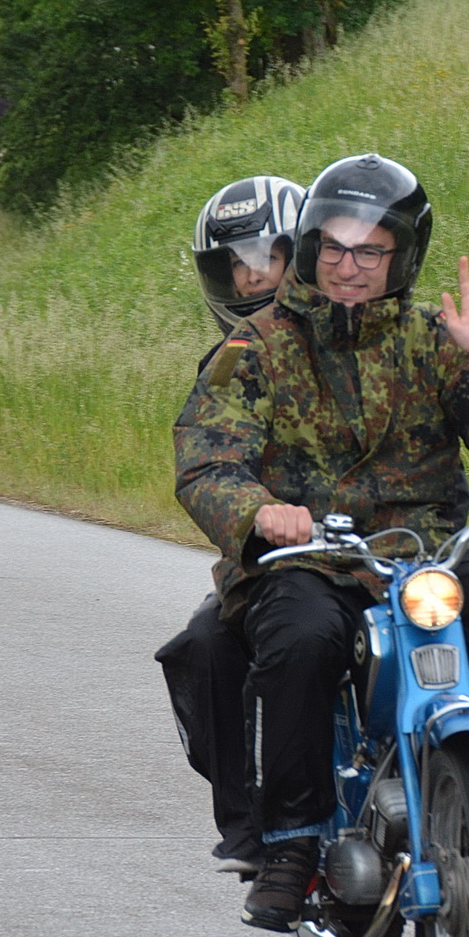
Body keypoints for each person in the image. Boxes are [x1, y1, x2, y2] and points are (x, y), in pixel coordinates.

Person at [173, 153, 469, 932]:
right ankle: (294, 845)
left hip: (428, 558)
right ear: (308, 247)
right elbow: (206, 460)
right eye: (334, 245)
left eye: (371, 249)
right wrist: (262, 511)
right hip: (309, 562)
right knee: (298, 636)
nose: (349, 265)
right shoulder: (255, 348)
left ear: (402, 255)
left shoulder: (434, 342)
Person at [157, 175, 305, 875]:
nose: (251, 276)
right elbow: (207, 461)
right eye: (236, 263)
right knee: (205, 646)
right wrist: (256, 516)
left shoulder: (366, 333)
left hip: (392, 553)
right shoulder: (234, 363)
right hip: (282, 561)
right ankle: (254, 826)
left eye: (266, 257)